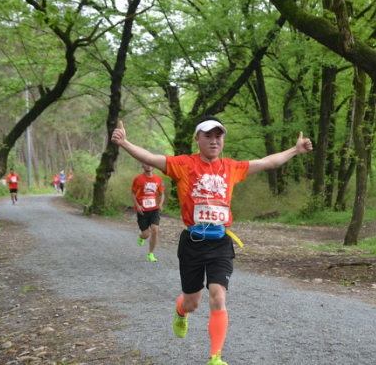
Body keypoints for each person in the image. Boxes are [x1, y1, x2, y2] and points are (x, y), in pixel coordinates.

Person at [111, 115, 313, 365]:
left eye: (218, 136)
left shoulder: (231, 167)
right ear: (197, 139)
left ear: (223, 140)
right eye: (208, 136)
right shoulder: (184, 164)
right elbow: (151, 158)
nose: (214, 141)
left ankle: (215, 357)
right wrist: (125, 143)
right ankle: (180, 310)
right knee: (192, 302)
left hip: (220, 243)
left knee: (218, 295)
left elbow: (267, 162)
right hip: (192, 242)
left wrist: (295, 149)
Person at [131, 163, 165, 262]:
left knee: (155, 230)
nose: (149, 166)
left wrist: (161, 204)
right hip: (142, 210)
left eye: (150, 164)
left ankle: (150, 254)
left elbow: (162, 194)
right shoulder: (138, 179)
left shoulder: (158, 179)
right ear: (142, 166)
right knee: (146, 235)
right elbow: (132, 193)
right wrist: (137, 205)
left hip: (154, 209)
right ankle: (141, 236)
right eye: (146, 164)